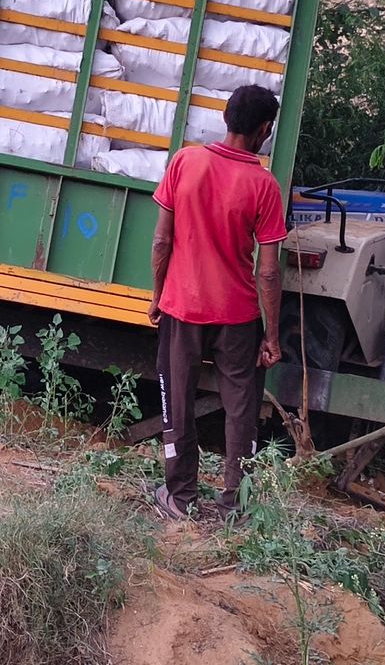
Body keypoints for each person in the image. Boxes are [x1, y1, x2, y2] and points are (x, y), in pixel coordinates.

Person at [148, 84, 286, 519]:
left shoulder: (185, 162)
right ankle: (233, 505)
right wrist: (272, 336)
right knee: (241, 409)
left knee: (178, 401)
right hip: (238, 316)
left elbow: (161, 241)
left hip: (182, 307)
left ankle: (180, 497)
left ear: (227, 118)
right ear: (264, 130)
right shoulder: (264, 185)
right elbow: (268, 271)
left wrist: (157, 296)